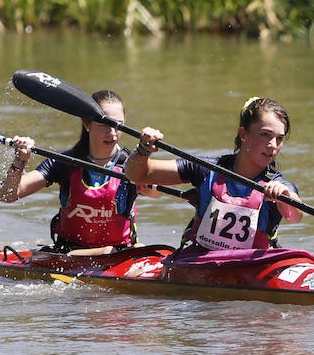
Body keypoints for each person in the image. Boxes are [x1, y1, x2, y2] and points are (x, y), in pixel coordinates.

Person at [125, 97, 304, 253]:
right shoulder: (205, 169)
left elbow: (295, 216)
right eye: (265, 134)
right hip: (201, 262)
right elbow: (138, 175)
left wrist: (285, 197)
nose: (273, 145)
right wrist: (143, 149)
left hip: (252, 267)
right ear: (244, 134)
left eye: (279, 138)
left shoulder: (277, 184)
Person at [0, 89, 162, 254]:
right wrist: (20, 159)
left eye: (118, 125)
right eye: (105, 124)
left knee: (140, 249)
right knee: (108, 251)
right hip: (70, 254)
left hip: (121, 252)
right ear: (87, 124)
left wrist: (147, 187)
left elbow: (156, 193)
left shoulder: (132, 165)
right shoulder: (63, 162)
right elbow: (8, 195)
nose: (112, 133)